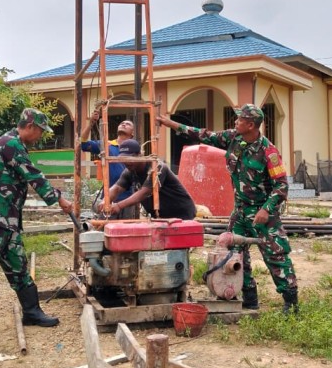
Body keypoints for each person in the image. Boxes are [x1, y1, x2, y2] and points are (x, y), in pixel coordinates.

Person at [156, 105, 298, 313]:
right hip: (240, 211)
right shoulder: (234, 138)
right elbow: (204, 135)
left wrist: (266, 210)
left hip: (262, 214)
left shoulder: (269, 152)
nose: (235, 122)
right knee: (235, 255)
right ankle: (249, 298)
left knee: (275, 256)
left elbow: (282, 185)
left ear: (250, 125)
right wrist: (171, 124)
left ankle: (291, 303)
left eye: (239, 120)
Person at [0, 108, 74, 336]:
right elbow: (33, 175)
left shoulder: (14, 143)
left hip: (7, 216)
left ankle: (31, 311)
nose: (41, 136)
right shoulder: (10, 144)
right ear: (30, 126)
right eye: (40, 131)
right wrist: (59, 198)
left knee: (17, 263)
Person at [99, 140, 197, 220]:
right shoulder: (129, 171)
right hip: (161, 216)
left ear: (140, 155)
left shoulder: (156, 167)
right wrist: (106, 200)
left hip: (181, 213)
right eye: (123, 158)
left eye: (130, 158)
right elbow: (117, 188)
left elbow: (145, 192)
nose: (126, 162)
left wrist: (119, 206)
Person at [79, 111, 136, 215]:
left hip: (128, 198)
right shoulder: (106, 145)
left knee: (126, 228)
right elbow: (83, 144)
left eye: (128, 124)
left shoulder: (135, 149)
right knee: (107, 227)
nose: (124, 124)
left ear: (132, 133)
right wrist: (91, 123)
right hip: (108, 196)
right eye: (122, 123)